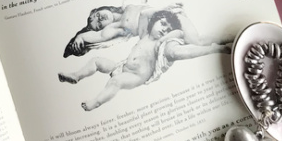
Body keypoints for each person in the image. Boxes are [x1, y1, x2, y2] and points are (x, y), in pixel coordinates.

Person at [59, 10, 231, 111]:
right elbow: (143, 14)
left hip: (136, 76)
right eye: (162, 24)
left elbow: (179, 36)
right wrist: (164, 10)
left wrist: (173, 28)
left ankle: (95, 102)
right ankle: (76, 75)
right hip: (121, 66)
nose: (164, 29)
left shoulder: (161, 44)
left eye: (168, 28)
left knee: (115, 82)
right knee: (97, 61)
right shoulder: (145, 34)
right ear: (154, 22)